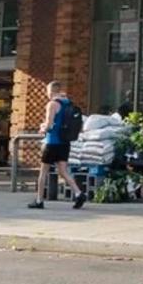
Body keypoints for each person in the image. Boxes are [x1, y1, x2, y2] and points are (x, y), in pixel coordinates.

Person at [28, 81, 86, 210]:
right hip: (64, 142)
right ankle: (78, 193)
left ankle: (39, 200)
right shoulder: (68, 103)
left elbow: (49, 125)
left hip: (52, 142)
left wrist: (42, 128)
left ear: (51, 91)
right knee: (63, 171)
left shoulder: (52, 104)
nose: (47, 94)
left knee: (43, 172)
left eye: (47, 91)